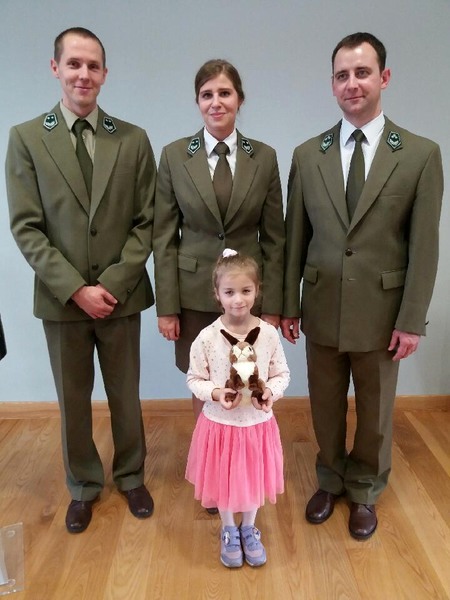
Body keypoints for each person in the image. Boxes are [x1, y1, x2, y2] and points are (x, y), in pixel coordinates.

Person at [281, 32, 443, 540]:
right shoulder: (308, 155)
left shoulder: (419, 155)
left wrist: (411, 319)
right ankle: (330, 478)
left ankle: (366, 488)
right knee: (325, 404)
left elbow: (424, 246)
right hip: (321, 305)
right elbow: (294, 237)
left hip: (382, 310)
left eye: (362, 72)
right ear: (332, 85)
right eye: (342, 75)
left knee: (374, 411)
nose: (352, 83)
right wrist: (287, 305)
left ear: (384, 78)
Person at [5, 27, 157, 533]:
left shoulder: (132, 140)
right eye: (73, 64)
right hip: (62, 301)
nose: (83, 74)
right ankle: (84, 486)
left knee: (125, 394)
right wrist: (76, 289)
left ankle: (131, 476)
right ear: (55, 68)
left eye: (93, 65)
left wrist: (110, 285)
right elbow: (26, 227)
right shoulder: (27, 138)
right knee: (73, 401)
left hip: (121, 297)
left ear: (105, 73)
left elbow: (147, 221)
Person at [153, 59, 285, 426]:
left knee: (251, 380)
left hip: (248, 296)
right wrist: (167, 307)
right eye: (206, 94)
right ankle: (209, 453)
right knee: (207, 382)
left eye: (224, 93)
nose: (216, 102)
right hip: (194, 294)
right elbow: (163, 237)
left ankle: (245, 453)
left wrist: (273, 305)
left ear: (240, 99)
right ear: (197, 101)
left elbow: (275, 239)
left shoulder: (264, 157)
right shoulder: (174, 156)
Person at [185, 250, 290, 567]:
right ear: (217, 294)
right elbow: (194, 379)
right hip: (221, 426)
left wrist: (270, 392)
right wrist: (217, 393)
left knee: (253, 478)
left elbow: (282, 374)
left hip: (257, 425)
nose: (238, 300)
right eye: (229, 292)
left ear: (257, 290)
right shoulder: (207, 338)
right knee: (225, 480)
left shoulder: (268, 334)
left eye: (246, 290)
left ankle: (248, 528)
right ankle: (229, 528)